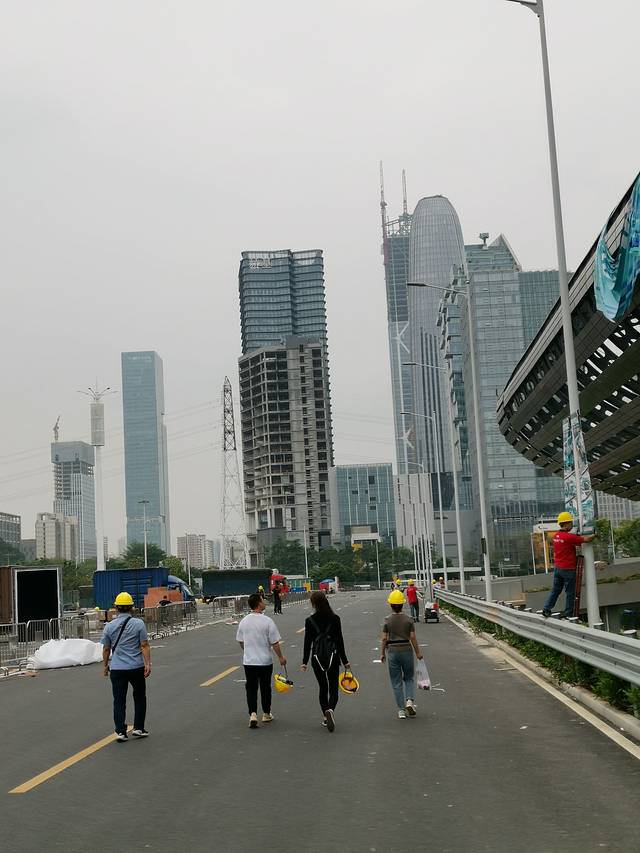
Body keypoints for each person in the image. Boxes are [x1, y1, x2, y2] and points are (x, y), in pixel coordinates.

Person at [101, 592, 151, 741]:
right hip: (136, 667)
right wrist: (147, 664)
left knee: (119, 700)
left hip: (117, 669)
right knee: (139, 697)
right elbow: (144, 645)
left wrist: (105, 666)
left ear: (116, 607)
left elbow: (106, 648)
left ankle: (121, 731)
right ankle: (139, 728)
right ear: (131, 607)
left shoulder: (109, 626)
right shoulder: (139, 624)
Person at [301, 591, 350, 732]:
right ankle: (330, 710)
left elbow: (307, 643)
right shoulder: (335, 619)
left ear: (313, 604)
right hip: (333, 657)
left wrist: (304, 662)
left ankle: (325, 715)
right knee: (333, 688)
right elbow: (339, 641)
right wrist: (345, 660)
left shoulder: (310, 621)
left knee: (323, 687)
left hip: (317, 658)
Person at [236, 592, 287, 728]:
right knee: (265, 687)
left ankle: (253, 714)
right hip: (265, 661)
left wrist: (248, 650)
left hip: (249, 661)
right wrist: (281, 657)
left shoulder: (244, 621)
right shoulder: (267, 621)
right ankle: (266, 713)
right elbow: (275, 642)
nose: (264, 602)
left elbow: (240, 641)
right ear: (259, 603)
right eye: (262, 600)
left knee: (251, 688)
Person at [542, 512, 596, 618]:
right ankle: (568, 614)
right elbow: (587, 539)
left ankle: (546, 609)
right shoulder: (569, 537)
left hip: (558, 569)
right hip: (568, 569)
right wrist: (595, 534)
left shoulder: (556, 536)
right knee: (570, 592)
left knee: (555, 591)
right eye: (571, 523)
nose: (572, 525)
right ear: (566, 524)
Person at [380, 590, 424, 719]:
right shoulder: (409, 619)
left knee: (396, 681)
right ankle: (409, 700)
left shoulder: (387, 620)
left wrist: (382, 653)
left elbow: (384, 638)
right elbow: (413, 637)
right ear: (402, 604)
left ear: (391, 605)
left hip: (393, 651)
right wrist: (418, 653)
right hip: (406, 649)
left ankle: (401, 710)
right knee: (409, 678)